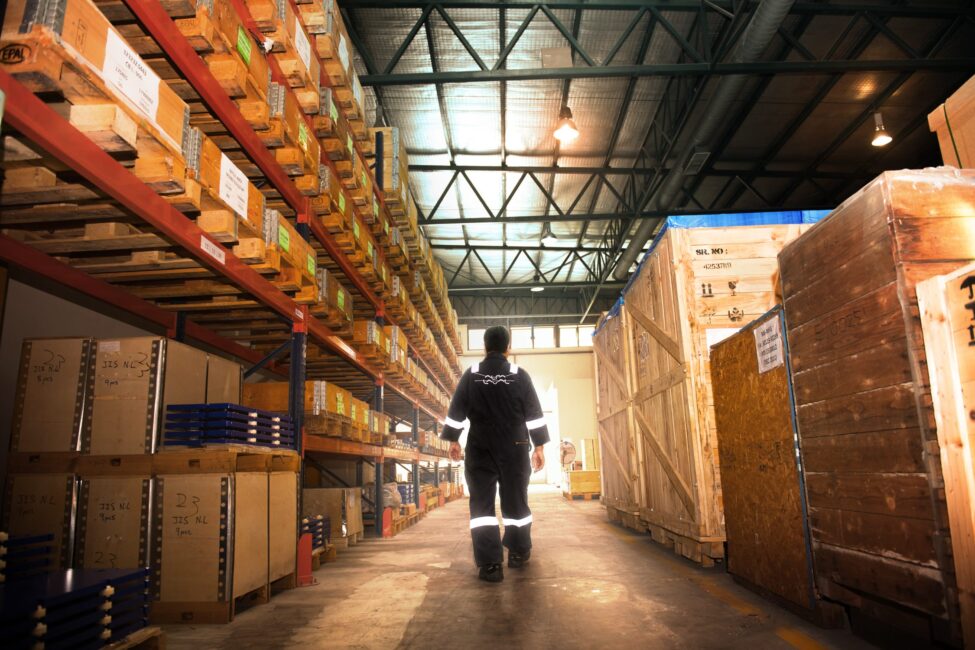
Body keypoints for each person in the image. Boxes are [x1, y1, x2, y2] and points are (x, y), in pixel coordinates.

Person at [439, 325, 549, 583]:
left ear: (485, 347)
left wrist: (453, 441)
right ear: (508, 348)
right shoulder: (519, 375)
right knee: (516, 503)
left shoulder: (472, 375)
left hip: (481, 448)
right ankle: (519, 553)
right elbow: (534, 414)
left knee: (482, 507)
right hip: (516, 447)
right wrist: (540, 446)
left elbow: (456, 413)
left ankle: (490, 565)